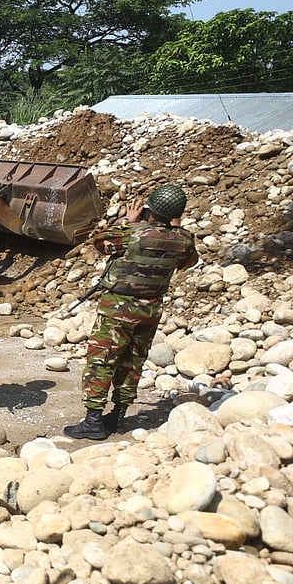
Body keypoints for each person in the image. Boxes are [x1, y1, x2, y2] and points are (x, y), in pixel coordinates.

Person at [64, 185, 198, 440]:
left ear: (151, 210)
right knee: (133, 362)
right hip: (150, 309)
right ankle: (118, 415)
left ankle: (93, 421)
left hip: (118, 308)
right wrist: (176, 227)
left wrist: (128, 221)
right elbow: (188, 262)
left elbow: (100, 242)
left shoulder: (132, 233)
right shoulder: (183, 240)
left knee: (102, 361)